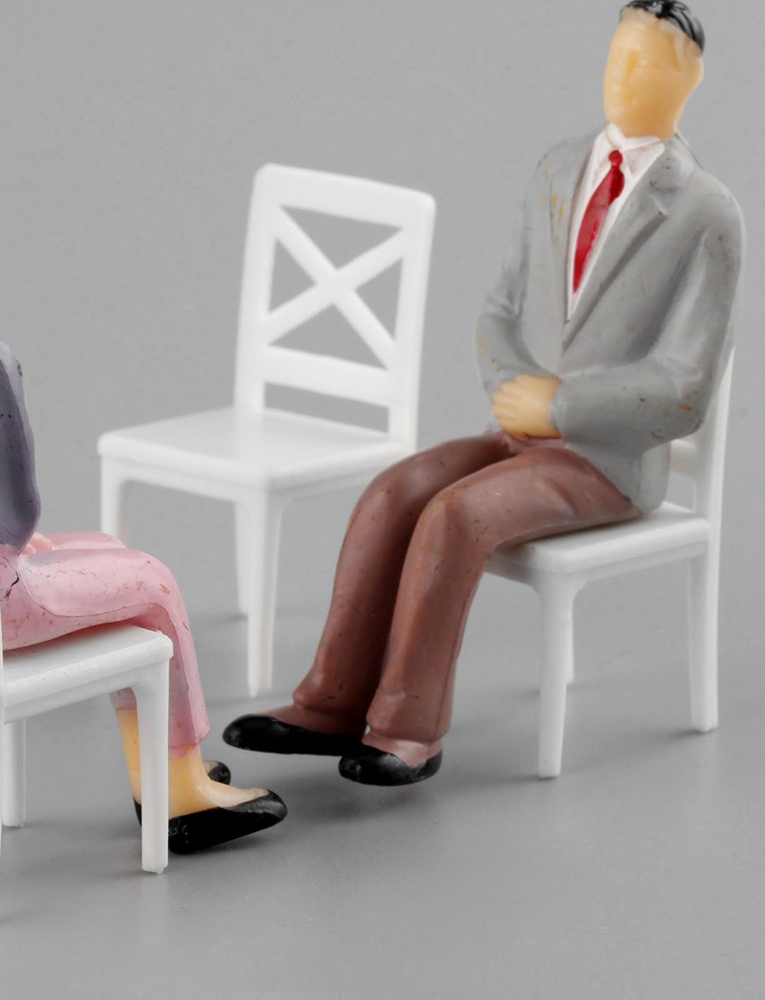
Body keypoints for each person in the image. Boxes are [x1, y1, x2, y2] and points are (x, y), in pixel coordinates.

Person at [224, 1, 742, 786]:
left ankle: (408, 727)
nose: (620, 74)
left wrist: (559, 407)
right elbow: (500, 307)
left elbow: (686, 388)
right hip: (519, 435)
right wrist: (511, 392)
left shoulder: (707, 213)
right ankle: (330, 699)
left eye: (645, 62)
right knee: (396, 491)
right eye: (616, 54)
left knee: (456, 515)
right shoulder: (558, 167)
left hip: (609, 460)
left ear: (690, 79)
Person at [0, 136, 286, 851]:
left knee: (104, 548)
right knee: (154, 584)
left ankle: (167, 766)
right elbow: (17, 515)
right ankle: (178, 791)